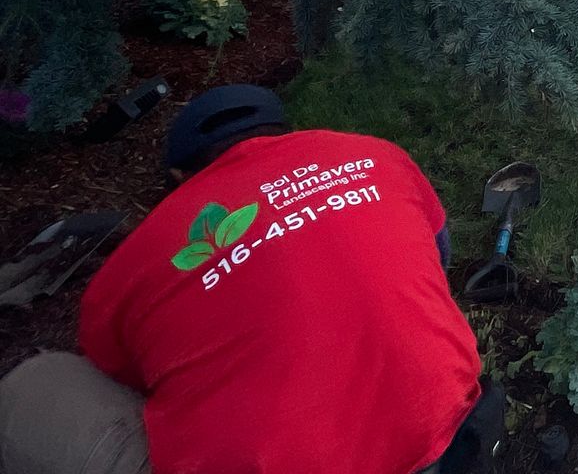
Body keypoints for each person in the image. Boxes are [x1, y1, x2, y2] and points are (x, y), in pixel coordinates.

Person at [0, 86, 495, 474]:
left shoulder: (134, 261)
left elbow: (123, 370)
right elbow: (438, 249)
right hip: (439, 418)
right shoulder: (375, 156)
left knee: (38, 383)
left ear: (177, 178)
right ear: (281, 133)